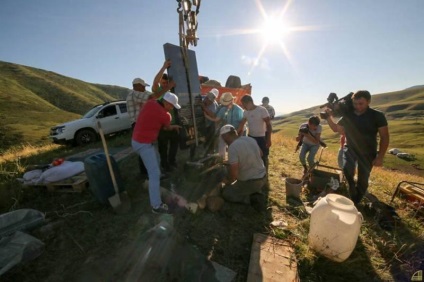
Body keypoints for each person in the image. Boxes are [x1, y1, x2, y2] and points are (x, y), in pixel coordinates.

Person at [324, 90, 389, 205]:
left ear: (368, 102)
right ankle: (352, 196)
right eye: (355, 104)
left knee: (363, 180)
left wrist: (380, 157)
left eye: (361, 104)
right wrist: (328, 117)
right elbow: (336, 129)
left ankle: (356, 201)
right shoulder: (348, 115)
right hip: (350, 149)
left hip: (368, 152)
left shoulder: (377, 116)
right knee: (347, 171)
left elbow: (384, 137)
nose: (358, 107)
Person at [132, 92, 181, 214]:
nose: (172, 108)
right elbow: (166, 127)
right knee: (153, 174)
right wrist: (174, 126)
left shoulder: (150, 103)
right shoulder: (166, 115)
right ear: (166, 103)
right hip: (144, 144)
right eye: (171, 105)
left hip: (136, 140)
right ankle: (156, 205)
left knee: (157, 158)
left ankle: (158, 176)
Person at [127, 77, 175, 178]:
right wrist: (169, 87)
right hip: (139, 124)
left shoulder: (135, 94)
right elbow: (154, 96)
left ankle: (148, 172)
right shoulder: (134, 94)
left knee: (145, 150)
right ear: (137, 86)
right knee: (145, 149)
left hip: (140, 124)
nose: (144, 89)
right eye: (143, 86)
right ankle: (149, 173)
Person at [219, 124, 267, 210]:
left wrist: (228, 182)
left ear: (225, 136)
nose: (223, 140)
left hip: (251, 182)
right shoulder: (250, 139)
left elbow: (234, 174)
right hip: (263, 177)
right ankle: (255, 191)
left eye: (223, 137)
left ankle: (251, 199)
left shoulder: (232, 147)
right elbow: (261, 154)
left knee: (226, 193)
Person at [152, 60, 180, 172]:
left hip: (171, 124)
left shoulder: (172, 92)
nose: (164, 85)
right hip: (162, 126)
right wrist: (164, 67)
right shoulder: (159, 92)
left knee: (174, 143)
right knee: (163, 147)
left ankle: (172, 161)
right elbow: (155, 82)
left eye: (166, 83)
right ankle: (165, 165)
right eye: (163, 83)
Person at [238, 95, 272, 169]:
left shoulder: (261, 110)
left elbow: (269, 125)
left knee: (263, 156)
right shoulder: (246, 112)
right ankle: (255, 172)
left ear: (250, 102)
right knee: (252, 155)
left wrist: (268, 139)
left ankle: (264, 174)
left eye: (244, 105)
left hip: (262, 137)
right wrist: (236, 134)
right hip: (251, 137)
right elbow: (242, 124)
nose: (244, 107)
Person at [212, 92, 245, 158]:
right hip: (229, 131)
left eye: (227, 104)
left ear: (232, 101)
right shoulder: (223, 109)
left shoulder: (238, 110)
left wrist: (237, 134)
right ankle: (222, 158)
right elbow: (218, 119)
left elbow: (242, 124)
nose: (226, 105)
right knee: (222, 140)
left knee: (238, 148)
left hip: (238, 131)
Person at [200, 88, 219, 156]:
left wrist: (204, 107)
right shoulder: (201, 97)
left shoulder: (214, 105)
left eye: (211, 101)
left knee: (209, 140)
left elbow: (213, 116)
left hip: (210, 124)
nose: (209, 102)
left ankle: (209, 153)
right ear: (207, 96)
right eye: (208, 99)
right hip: (201, 123)